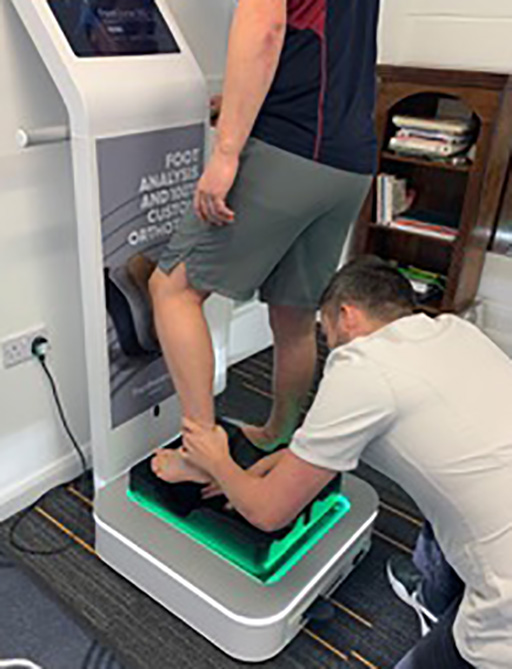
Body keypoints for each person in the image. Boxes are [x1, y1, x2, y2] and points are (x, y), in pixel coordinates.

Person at [164, 256, 512, 668]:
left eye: (325, 333)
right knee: (453, 489)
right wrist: (242, 476)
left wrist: (217, 458)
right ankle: (434, 598)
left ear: (346, 314)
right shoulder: (455, 332)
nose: (329, 345)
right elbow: (322, 449)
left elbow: (267, 513)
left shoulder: (362, 365)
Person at [149, 0, 380, 480]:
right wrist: (239, 104)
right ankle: (282, 433)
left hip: (289, 149)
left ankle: (200, 454)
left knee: (172, 289)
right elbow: (314, 45)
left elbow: (266, 27)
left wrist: (228, 150)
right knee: (295, 313)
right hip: (348, 157)